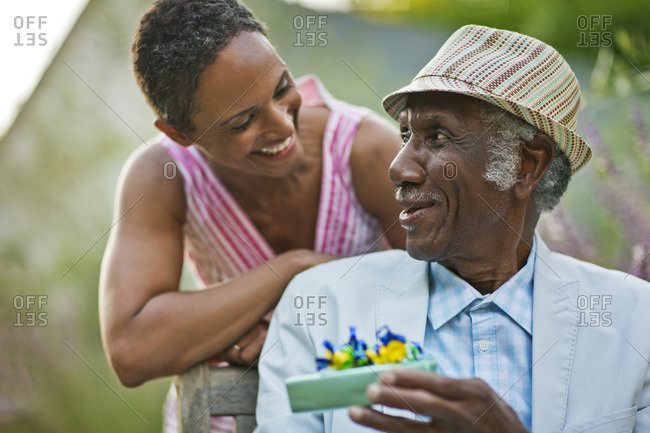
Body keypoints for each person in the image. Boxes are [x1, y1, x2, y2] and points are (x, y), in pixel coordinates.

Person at [255, 25, 650, 432]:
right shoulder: (322, 307)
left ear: (526, 165)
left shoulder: (636, 320)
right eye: (406, 134)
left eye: (438, 136)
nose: (398, 168)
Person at [98, 1, 405, 432]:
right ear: (181, 134)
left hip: (359, 411)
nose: (282, 126)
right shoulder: (164, 177)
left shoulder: (366, 150)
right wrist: (292, 268)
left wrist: (282, 320)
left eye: (282, 88)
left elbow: (457, 293)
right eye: (243, 121)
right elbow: (132, 349)